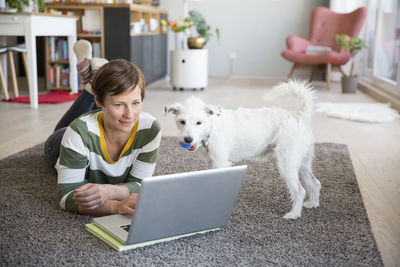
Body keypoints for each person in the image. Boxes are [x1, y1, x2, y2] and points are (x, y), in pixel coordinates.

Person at [44, 41, 161, 216]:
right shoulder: (78, 132)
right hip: (59, 143)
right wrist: (115, 206)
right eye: (120, 104)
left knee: (109, 116)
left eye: (136, 103)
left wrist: (109, 191)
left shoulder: (150, 128)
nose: (130, 115)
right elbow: (67, 197)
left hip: (97, 124)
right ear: (99, 102)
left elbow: (140, 184)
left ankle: (94, 83)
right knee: (63, 129)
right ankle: (91, 89)